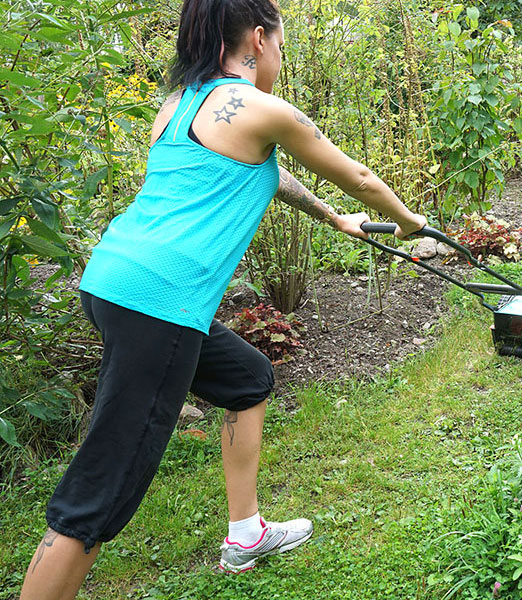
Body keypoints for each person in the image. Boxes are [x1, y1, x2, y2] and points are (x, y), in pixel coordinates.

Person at [19, 0, 426, 597]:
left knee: (246, 377)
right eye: (281, 46)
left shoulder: (178, 106)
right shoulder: (265, 109)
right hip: (160, 305)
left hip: (111, 284)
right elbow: (362, 177)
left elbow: (264, 174)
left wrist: (332, 217)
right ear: (259, 40)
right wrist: (409, 220)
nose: (281, 59)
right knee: (97, 494)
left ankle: (245, 532)